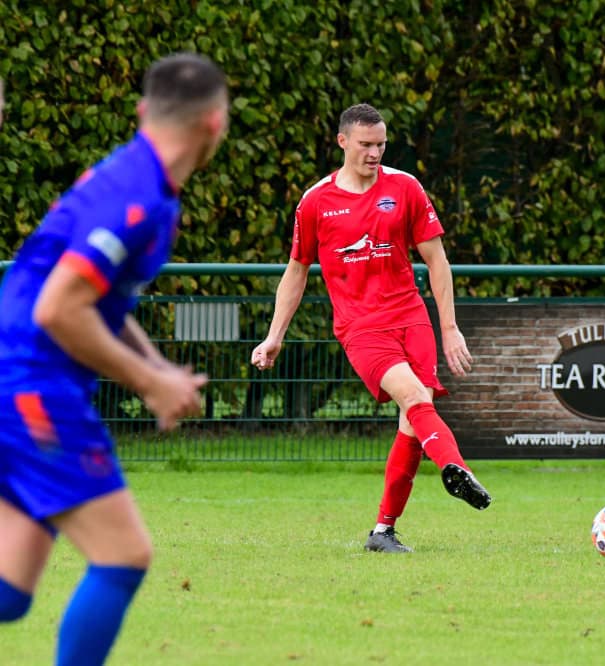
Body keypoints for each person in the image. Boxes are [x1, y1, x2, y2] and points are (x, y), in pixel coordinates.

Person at [0, 53, 228, 664]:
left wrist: (158, 368)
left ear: (143, 111)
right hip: (31, 386)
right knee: (123, 557)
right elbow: (58, 309)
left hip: (17, 379)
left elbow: (93, 297)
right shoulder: (138, 197)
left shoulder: (136, 177)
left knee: (10, 592)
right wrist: (149, 383)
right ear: (215, 123)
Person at [252, 103, 491, 554]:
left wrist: (450, 327)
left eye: (381, 144)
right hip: (361, 328)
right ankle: (456, 468)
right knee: (415, 397)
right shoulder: (316, 202)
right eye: (365, 144)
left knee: (412, 423)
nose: (374, 153)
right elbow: (296, 271)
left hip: (411, 317)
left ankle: (383, 532)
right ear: (342, 141)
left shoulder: (405, 187)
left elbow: (437, 260)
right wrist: (274, 336)